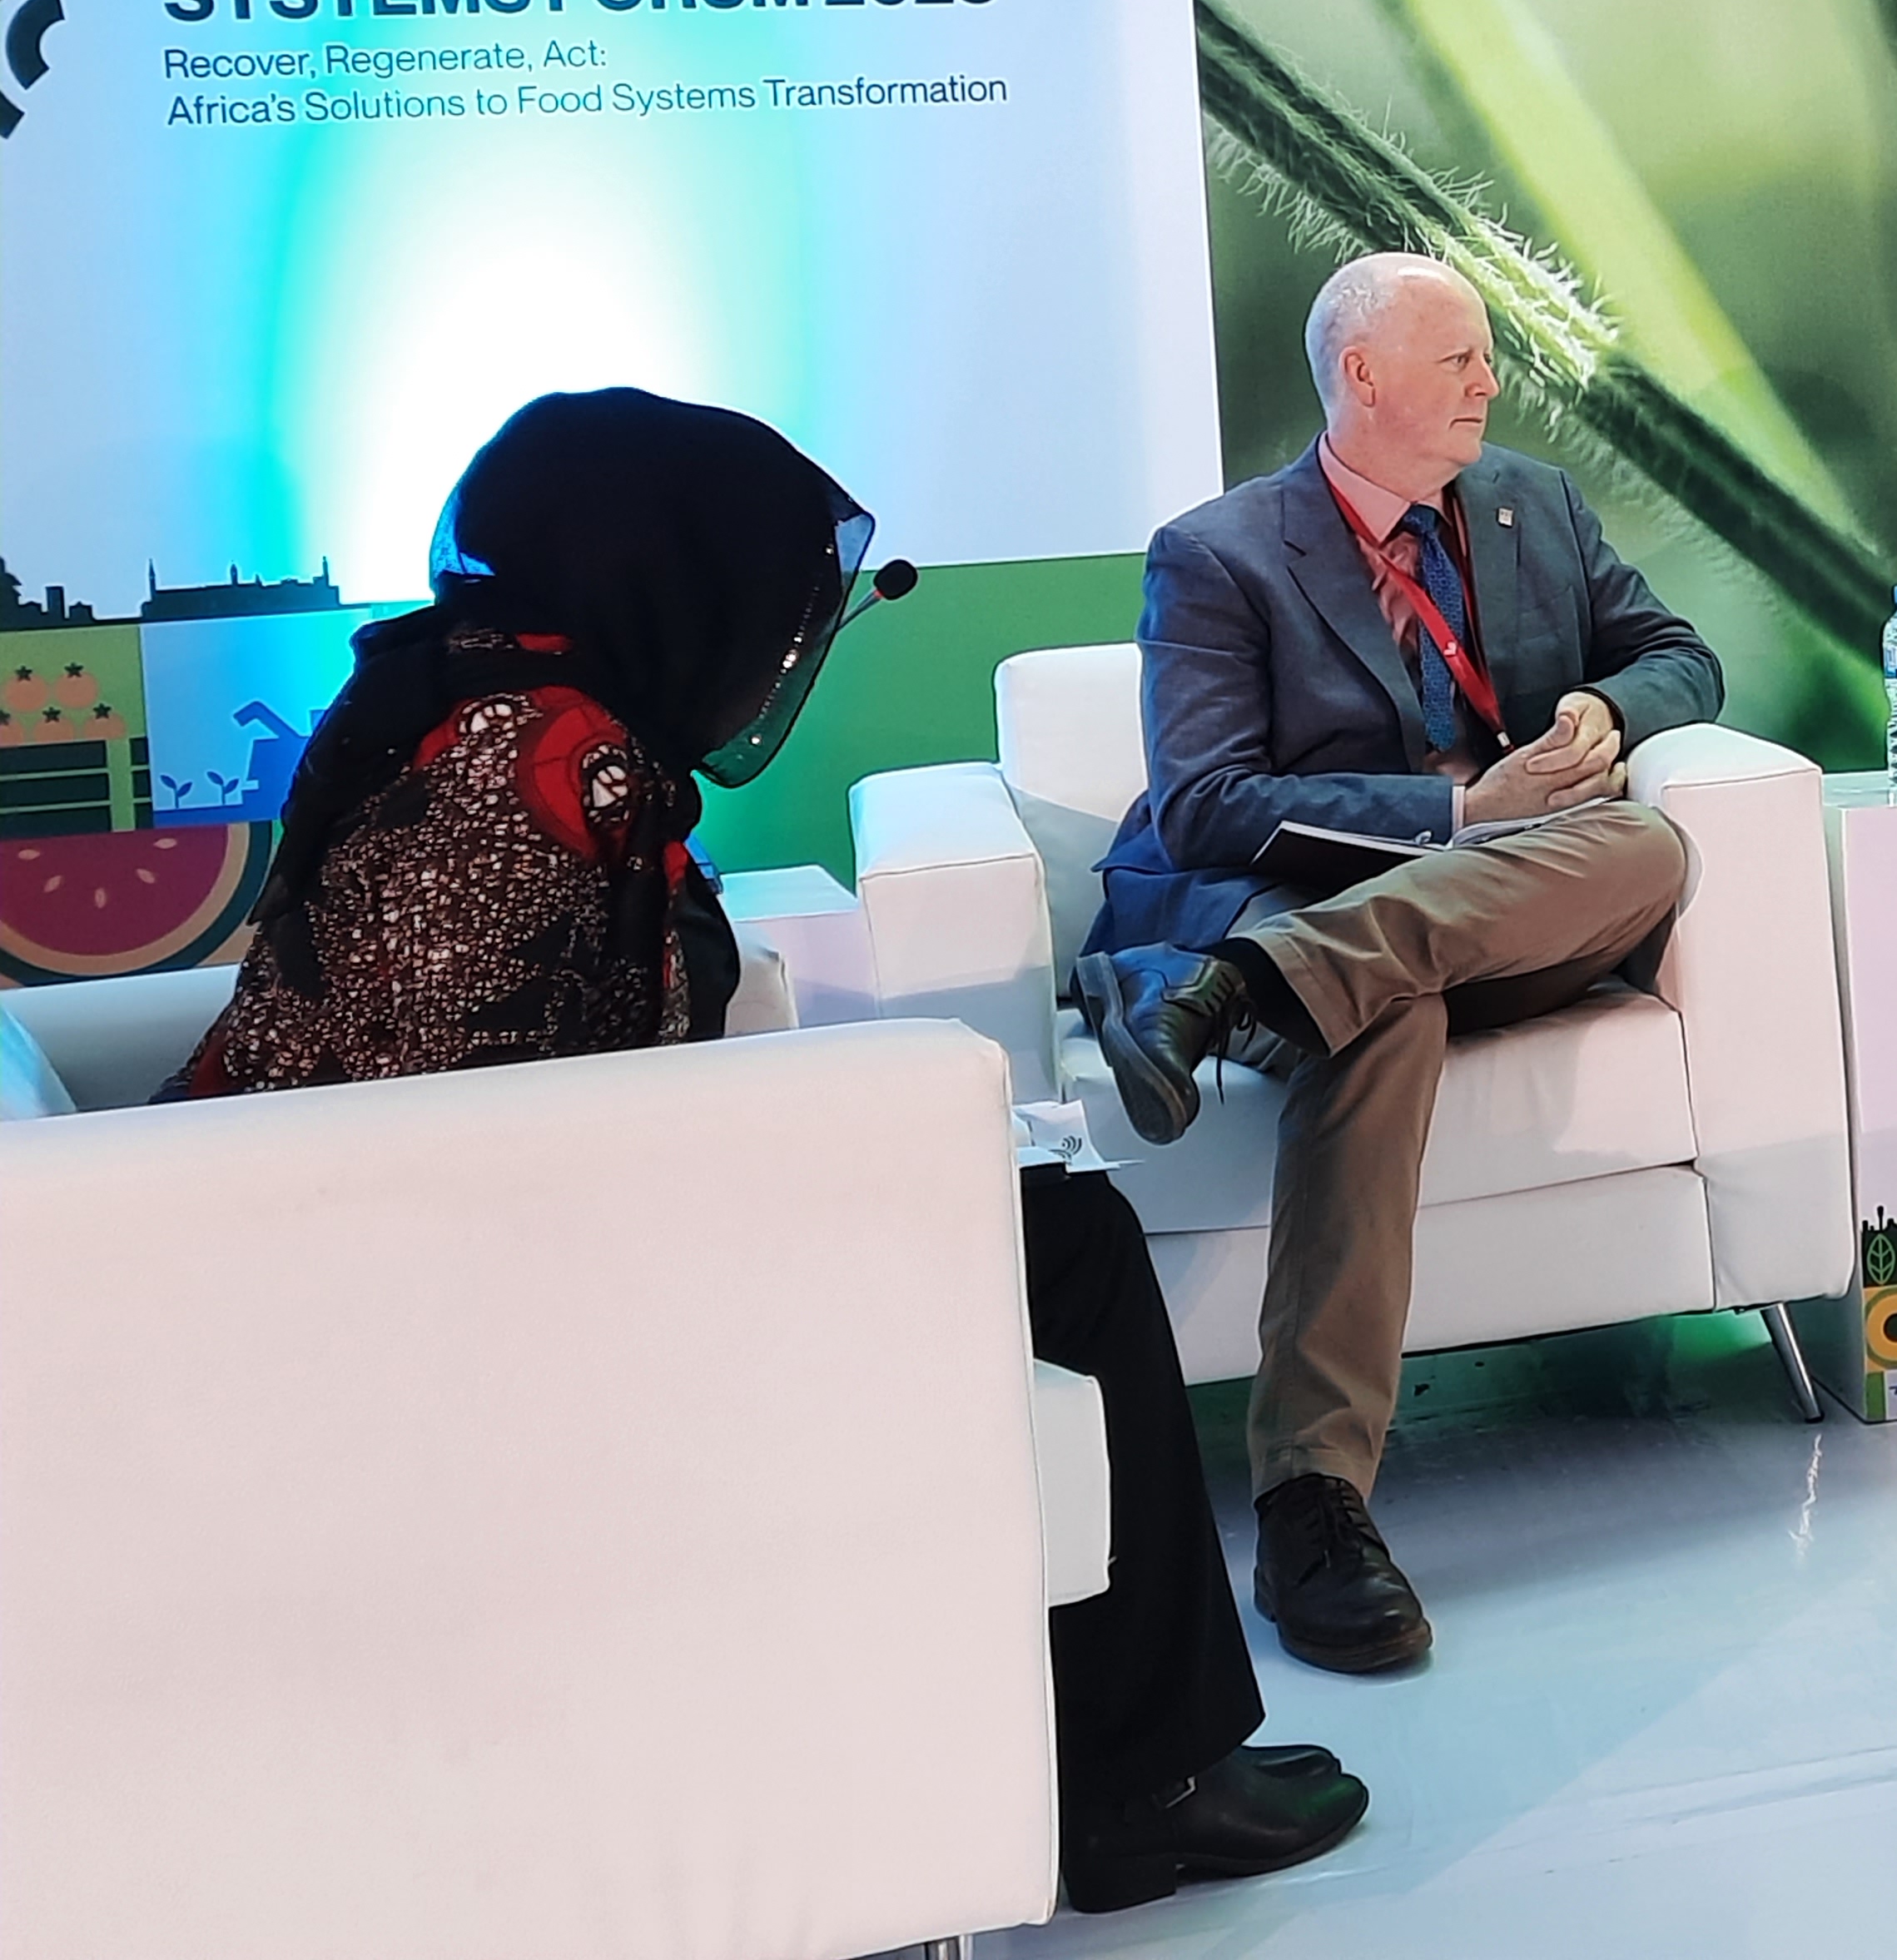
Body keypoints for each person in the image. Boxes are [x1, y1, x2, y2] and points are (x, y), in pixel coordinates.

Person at [166, 389, 1366, 1916]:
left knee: (1042, 1222)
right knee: (1064, 1246)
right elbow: (421, 1121)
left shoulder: (505, 702)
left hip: (456, 1243)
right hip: (413, 1299)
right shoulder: (529, 759)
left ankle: (1125, 1767)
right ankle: (1146, 1781)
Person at [1076, 253, 1711, 1666]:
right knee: (1380, 1008)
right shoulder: (1220, 552)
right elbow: (1203, 800)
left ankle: (1238, 987)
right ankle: (1314, 1502)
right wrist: (1455, 810)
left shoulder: (1530, 503)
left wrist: (1609, 705)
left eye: (1486, 359)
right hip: (1332, 896)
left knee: (1647, 852)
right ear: (1359, 375)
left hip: (1503, 906)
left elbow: (1679, 654)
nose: (1491, 382)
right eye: (1459, 358)